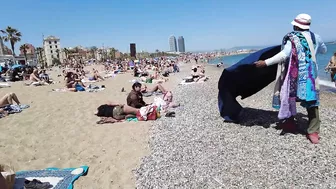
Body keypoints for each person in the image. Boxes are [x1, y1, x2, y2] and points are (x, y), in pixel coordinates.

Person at [255, 13, 327, 144]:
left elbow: (284, 54)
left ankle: (290, 124)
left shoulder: (292, 38)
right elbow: (323, 50)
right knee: (312, 101)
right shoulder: (316, 37)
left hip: (294, 74)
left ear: (297, 26)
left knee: (288, 96)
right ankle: (313, 132)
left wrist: (265, 62)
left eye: (294, 25)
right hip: (311, 75)